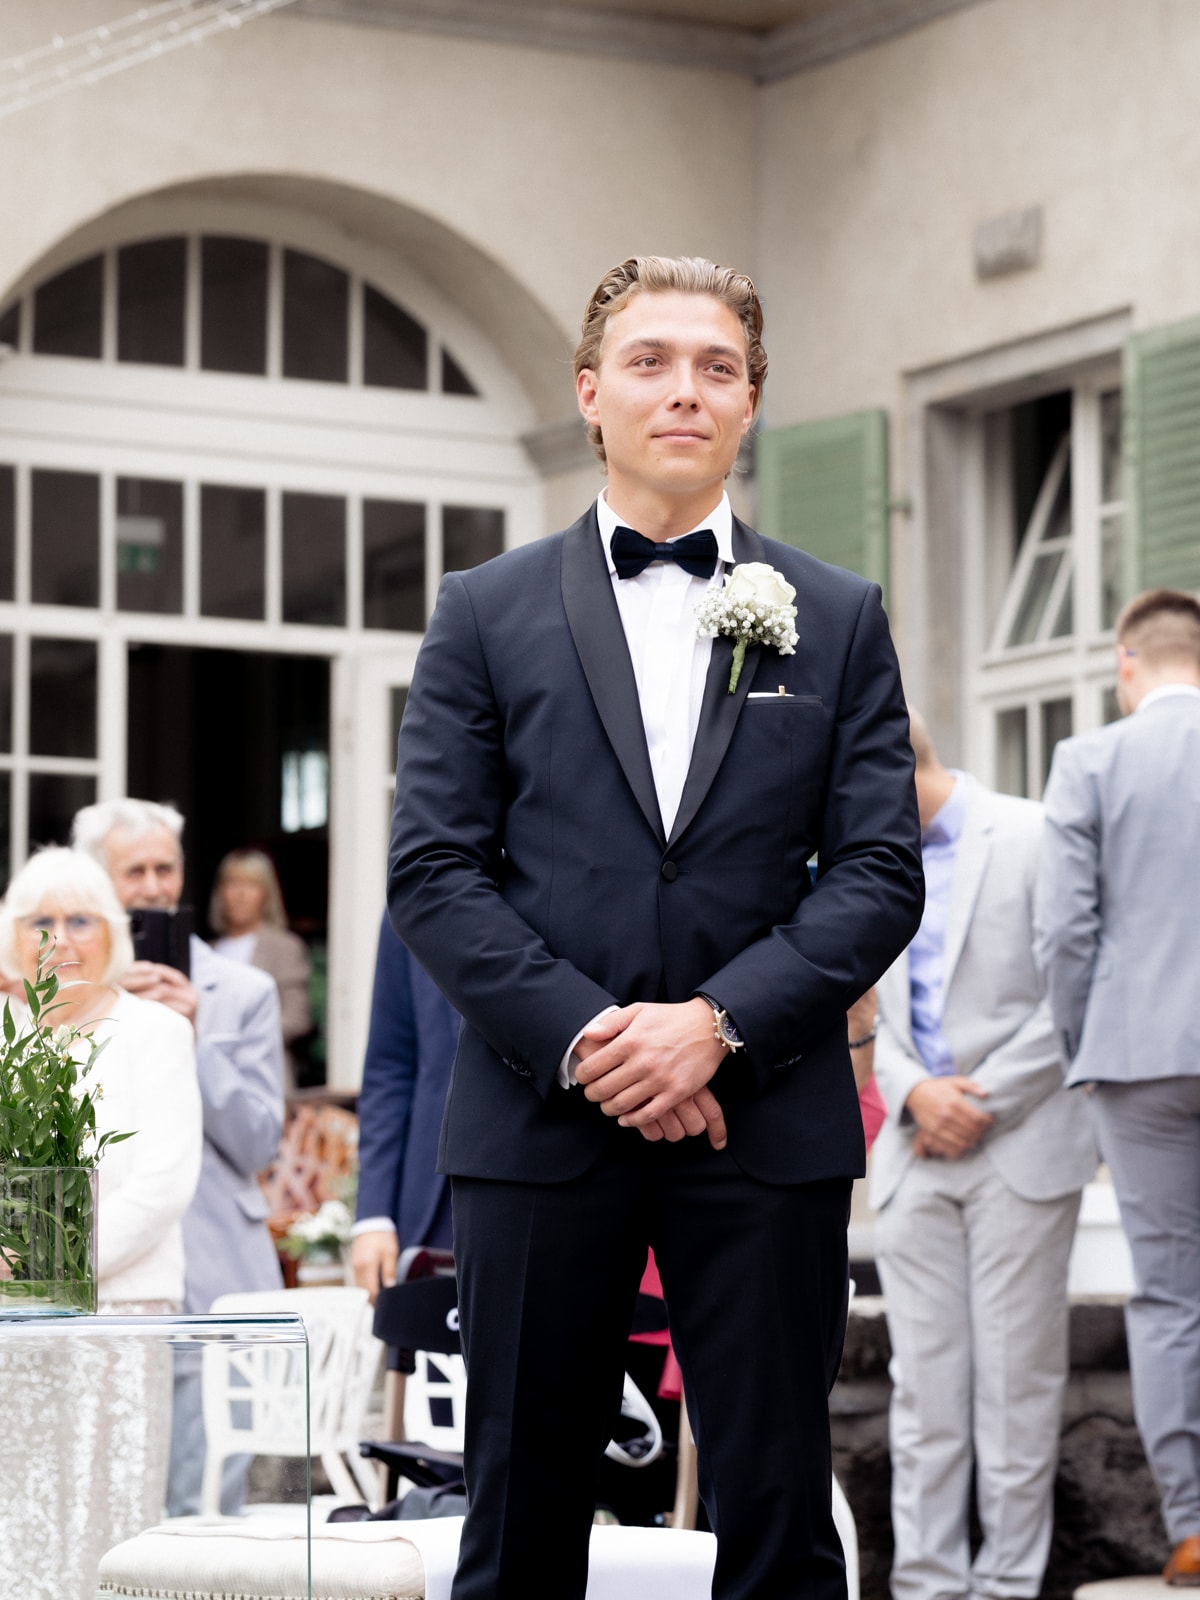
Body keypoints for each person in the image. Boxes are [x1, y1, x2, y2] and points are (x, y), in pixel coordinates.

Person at [388, 254, 924, 1600]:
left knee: (782, 1517)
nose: (684, 389)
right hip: (536, 1116)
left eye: (717, 368)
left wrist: (717, 1029)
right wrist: (594, 1042)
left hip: (765, 1124)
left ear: (751, 404)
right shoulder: (481, 610)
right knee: (517, 1522)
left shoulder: (843, 617)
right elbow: (436, 869)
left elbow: (876, 870)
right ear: (589, 392)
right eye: (650, 361)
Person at [869, 710, 1095, 1600]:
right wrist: (916, 1093)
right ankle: (927, 1586)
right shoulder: (861, 859)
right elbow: (849, 998)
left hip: (1024, 1145)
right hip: (911, 1146)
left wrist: (979, 1102)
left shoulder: (1036, 833)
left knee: (1016, 1389)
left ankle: (1007, 1587)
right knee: (922, 1394)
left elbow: (1073, 988)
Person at [1034, 587, 1200, 1587]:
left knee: (1170, 1292)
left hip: (1138, 1054)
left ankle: (1193, 1522)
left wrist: (1080, 1046)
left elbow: (1064, 932)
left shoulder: (1090, 759)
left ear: (1126, 667)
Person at [71, 798, 285, 1519]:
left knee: (202, 1510)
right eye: (135, 871)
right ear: (97, 882)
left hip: (214, 1272)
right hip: (104, 1274)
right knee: (100, 1499)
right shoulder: (64, 994)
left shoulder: (243, 992)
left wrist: (186, 1037)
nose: (157, 886)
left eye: (167, 868)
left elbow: (260, 1141)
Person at [0, 847, 202, 1600]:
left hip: (120, 1318)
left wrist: (39, 1260)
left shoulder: (157, 1033)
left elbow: (163, 1184)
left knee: (106, 1526)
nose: (61, 938)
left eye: (80, 918)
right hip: (8, 1326)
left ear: (112, 931)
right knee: (13, 1523)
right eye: (39, 921)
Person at [350, 911, 457, 1298]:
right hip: (431, 1203)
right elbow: (389, 1069)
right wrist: (373, 1214)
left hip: (557, 1194)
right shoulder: (417, 885)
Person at [209, 846, 312, 1089]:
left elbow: (297, 1018)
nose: (241, 894)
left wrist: (241, 1038)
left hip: (264, 1077)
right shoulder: (207, 951)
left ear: (266, 894)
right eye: (233, 883)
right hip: (213, 1079)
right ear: (220, 892)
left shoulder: (284, 946)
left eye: (251, 885)